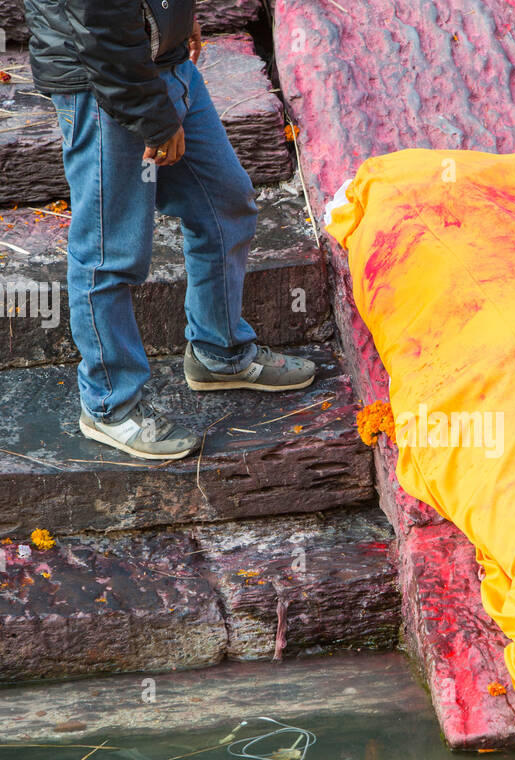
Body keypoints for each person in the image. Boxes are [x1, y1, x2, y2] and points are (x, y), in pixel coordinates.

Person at [22, 0, 316, 460]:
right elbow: (97, 23)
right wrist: (155, 120)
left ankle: (220, 353)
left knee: (224, 202)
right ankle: (109, 406)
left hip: (163, 62)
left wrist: (174, 20)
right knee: (109, 250)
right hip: (104, 82)